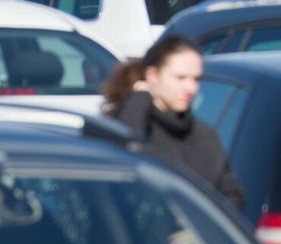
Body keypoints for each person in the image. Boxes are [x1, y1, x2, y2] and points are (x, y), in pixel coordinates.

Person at [102, 36, 246, 210]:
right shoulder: (127, 122)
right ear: (152, 75)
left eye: (196, 79)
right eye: (180, 78)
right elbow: (125, 168)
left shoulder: (204, 135)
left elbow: (233, 196)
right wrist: (140, 98)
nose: (191, 88)